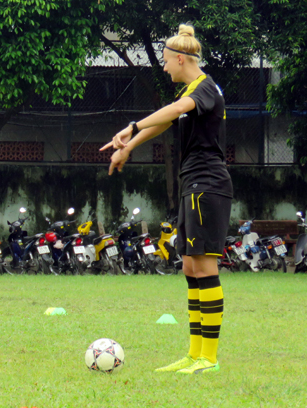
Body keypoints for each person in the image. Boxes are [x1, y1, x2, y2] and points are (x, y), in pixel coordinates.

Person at [101, 24, 231, 374]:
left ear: (180, 58)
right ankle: (194, 353)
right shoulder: (190, 92)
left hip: (208, 184)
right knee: (189, 266)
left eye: (165, 61)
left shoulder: (203, 88)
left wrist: (132, 126)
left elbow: (173, 112)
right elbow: (166, 121)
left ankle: (209, 358)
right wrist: (128, 146)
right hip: (193, 183)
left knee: (205, 267)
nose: (163, 67)